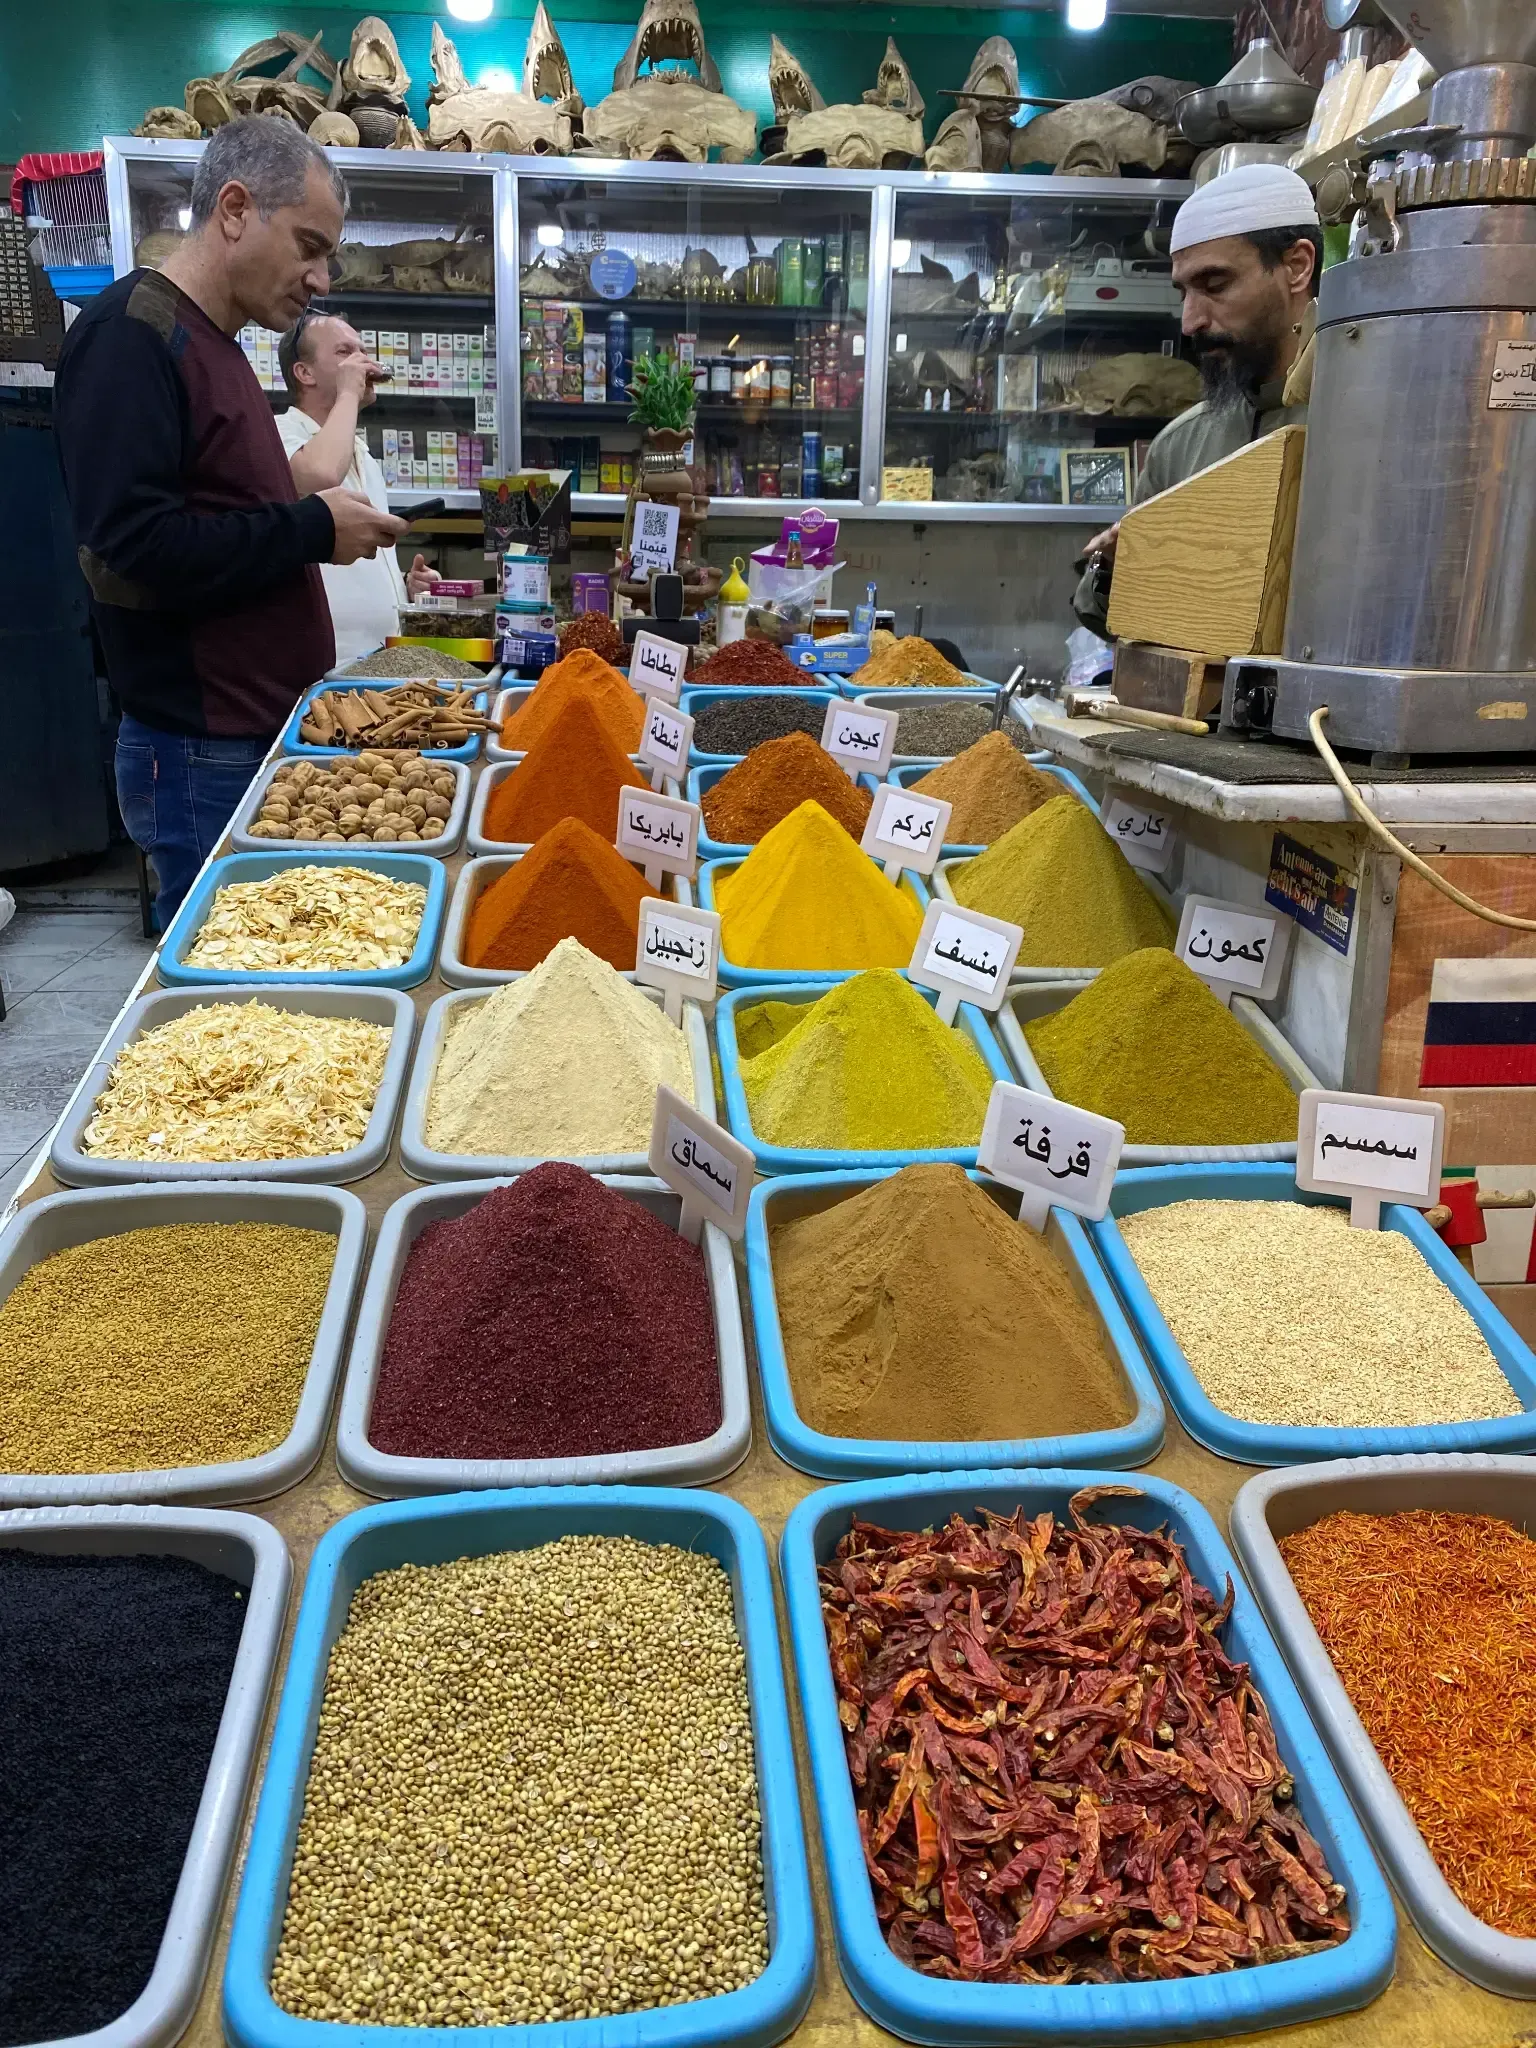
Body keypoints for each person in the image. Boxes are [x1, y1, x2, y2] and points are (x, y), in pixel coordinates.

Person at [53, 116, 408, 925]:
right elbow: (135, 550)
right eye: (310, 245)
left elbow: (227, 516)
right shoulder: (131, 339)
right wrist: (313, 530)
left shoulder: (216, 343)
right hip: (197, 753)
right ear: (237, 209)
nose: (321, 278)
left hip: (248, 738)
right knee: (230, 982)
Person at [1073, 163, 1321, 636]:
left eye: (1214, 285)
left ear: (1296, 266)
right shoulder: (1180, 447)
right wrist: (1116, 567)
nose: (1190, 322)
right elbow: (1114, 624)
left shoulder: (1366, 426)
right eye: (1184, 292)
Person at [276, 312, 442, 667]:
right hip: (320, 669)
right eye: (344, 352)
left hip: (375, 663)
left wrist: (404, 588)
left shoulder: (362, 455)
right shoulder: (279, 435)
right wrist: (349, 391)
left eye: (363, 351)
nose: (362, 361)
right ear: (304, 373)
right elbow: (320, 477)